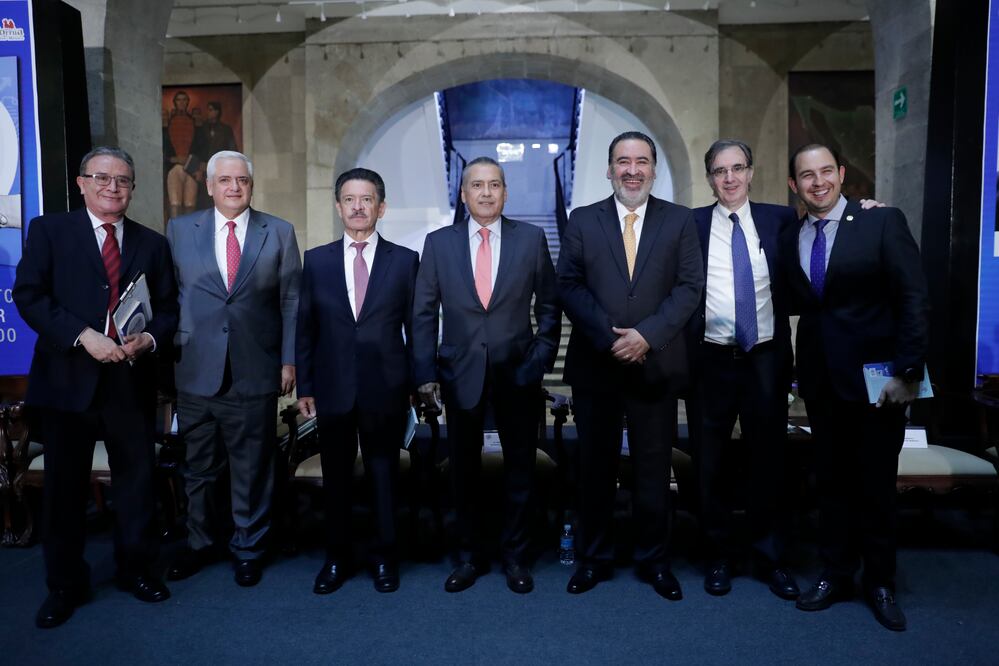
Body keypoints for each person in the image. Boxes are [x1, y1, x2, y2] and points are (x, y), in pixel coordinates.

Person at [13, 147, 179, 628]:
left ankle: (136, 570)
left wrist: (149, 339)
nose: (113, 187)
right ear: (82, 183)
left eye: (123, 180)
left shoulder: (152, 243)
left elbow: (169, 308)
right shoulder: (50, 231)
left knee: (137, 483)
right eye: (102, 178)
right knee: (64, 489)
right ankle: (65, 585)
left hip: (130, 380)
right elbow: (29, 296)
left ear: (132, 189)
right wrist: (84, 336)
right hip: (67, 380)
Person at [781, 143, 929, 631]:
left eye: (826, 171)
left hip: (878, 384)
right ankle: (836, 573)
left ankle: (880, 582)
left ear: (842, 174)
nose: (818, 182)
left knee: (876, 486)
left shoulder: (880, 221)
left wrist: (908, 372)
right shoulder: (793, 234)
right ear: (794, 184)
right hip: (821, 383)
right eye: (807, 175)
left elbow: (913, 295)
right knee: (831, 484)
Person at [557, 131, 703, 600]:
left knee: (653, 470)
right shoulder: (583, 220)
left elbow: (689, 287)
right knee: (594, 469)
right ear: (609, 169)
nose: (632, 170)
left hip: (655, 365)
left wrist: (647, 337)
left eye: (642, 161)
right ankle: (593, 558)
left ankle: (654, 561)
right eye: (623, 161)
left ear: (654, 170)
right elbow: (569, 285)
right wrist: (610, 338)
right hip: (596, 365)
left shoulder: (678, 220)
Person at [412, 156, 560, 594]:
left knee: (520, 470)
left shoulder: (531, 239)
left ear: (505, 192)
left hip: (518, 373)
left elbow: (549, 306)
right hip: (459, 373)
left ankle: (516, 557)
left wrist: (540, 359)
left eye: (494, 184)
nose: (486, 192)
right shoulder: (438, 243)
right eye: (477, 185)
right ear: (463, 194)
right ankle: (469, 556)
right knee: (463, 472)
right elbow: (423, 313)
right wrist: (425, 373)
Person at [166, 150, 301, 587]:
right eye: (224, 180)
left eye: (241, 180)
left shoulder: (278, 231)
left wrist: (288, 359)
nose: (234, 187)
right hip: (194, 368)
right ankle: (200, 543)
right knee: (198, 468)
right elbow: (169, 297)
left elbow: (291, 301)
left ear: (251, 186)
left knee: (252, 468)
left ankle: (249, 548)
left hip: (255, 367)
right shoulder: (179, 230)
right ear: (209, 186)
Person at [686, 139, 800, 600]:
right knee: (709, 463)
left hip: (765, 359)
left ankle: (770, 557)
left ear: (751, 172)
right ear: (709, 178)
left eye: (737, 168)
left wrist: (867, 210)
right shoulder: (691, 224)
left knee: (767, 460)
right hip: (710, 359)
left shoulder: (781, 219)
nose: (729, 178)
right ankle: (717, 555)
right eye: (719, 171)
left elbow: (829, 229)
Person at [296, 168, 418, 594]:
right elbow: (306, 327)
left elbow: (416, 327)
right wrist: (305, 385)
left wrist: (417, 382)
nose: (358, 207)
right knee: (337, 477)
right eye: (350, 199)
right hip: (333, 386)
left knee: (384, 475)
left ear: (381, 208)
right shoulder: (317, 260)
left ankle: (385, 558)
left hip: (386, 386)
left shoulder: (405, 260)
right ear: (338, 206)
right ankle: (337, 558)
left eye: (367, 199)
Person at [164, 90, 201, 220]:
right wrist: (173, 159)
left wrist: (196, 165)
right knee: (175, 205)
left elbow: (200, 147)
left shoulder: (195, 123)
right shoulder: (168, 122)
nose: (181, 102)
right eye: (179, 100)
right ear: (175, 102)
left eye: (184, 100)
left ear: (187, 102)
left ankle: (189, 232)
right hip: (174, 167)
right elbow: (163, 149)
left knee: (190, 205)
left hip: (191, 168)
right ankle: (175, 232)